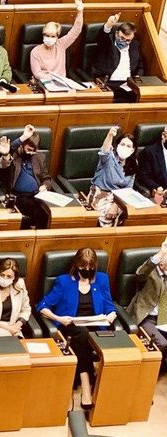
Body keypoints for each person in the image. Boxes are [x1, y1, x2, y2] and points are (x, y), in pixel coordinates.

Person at [37, 247, 118, 409]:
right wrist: (59, 318)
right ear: (76, 265)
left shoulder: (101, 279)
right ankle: (86, 385)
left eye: (90, 268)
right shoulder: (64, 281)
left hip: (96, 324)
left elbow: (110, 307)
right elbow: (42, 306)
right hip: (71, 325)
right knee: (82, 335)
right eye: (83, 268)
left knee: (86, 337)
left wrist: (111, 316)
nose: (87, 271)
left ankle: (81, 383)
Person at [127, 236, 167, 367]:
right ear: (161, 263)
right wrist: (162, 251)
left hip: (165, 318)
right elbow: (140, 273)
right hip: (147, 317)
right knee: (162, 343)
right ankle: (151, 373)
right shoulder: (150, 272)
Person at [3, 124, 52, 230]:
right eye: (29, 149)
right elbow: (9, 149)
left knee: (46, 213)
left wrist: (45, 186)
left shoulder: (39, 157)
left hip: (36, 195)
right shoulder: (14, 156)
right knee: (31, 211)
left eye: (33, 150)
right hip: (18, 196)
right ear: (23, 145)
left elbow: (46, 177)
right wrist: (24, 137)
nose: (31, 153)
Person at [92, 13, 145, 103]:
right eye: (121, 38)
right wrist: (108, 25)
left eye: (127, 40)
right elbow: (102, 38)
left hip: (128, 84)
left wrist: (137, 80)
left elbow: (140, 67)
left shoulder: (135, 46)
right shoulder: (109, 42)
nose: (124, 42)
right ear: (117, 33)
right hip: (109, 83)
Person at [90, 127, 136, 227]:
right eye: (122, 144)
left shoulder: (133, 164)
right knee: (107, 215)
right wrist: (110, 135)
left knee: (132, 216)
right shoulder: (109, 157)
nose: (125, 147)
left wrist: (116, 205)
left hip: (120, 199)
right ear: (117, 145)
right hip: (101, 195)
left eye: (128, 146)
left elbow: (128, 190)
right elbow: (104, 151)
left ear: (132, 150)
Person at [30, 0, 84, 81]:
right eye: (47, 35)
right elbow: (37, 73)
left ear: (57, 37)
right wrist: (52, 78)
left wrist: (80, 12)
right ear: (43, 34)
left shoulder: (61, 45)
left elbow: (76, 31)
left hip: (62, 82)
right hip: (44, 82)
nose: (49, 38)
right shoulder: (35, 51)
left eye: (53, 36)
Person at [136, 125, 167, 198]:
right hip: (160, 193)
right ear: (163, 135)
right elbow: (143, 176)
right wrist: (157, 187)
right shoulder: (149, 152)